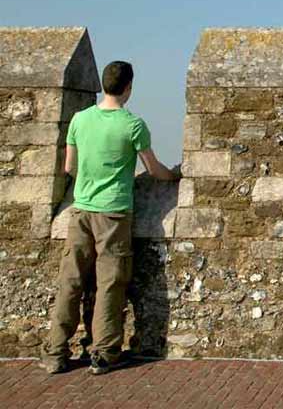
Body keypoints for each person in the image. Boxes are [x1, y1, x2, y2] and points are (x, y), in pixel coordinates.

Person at [42, 61, 179, 375]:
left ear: (103, 84)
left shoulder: (79, 119)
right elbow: (154, 169)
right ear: (129, 88)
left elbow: (69, 168)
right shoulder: (132, 125)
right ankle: (104, 353)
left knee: (71, 281)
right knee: (110, 282)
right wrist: (174, 177)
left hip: (80, 210)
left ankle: (55, 352)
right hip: (114, 214)